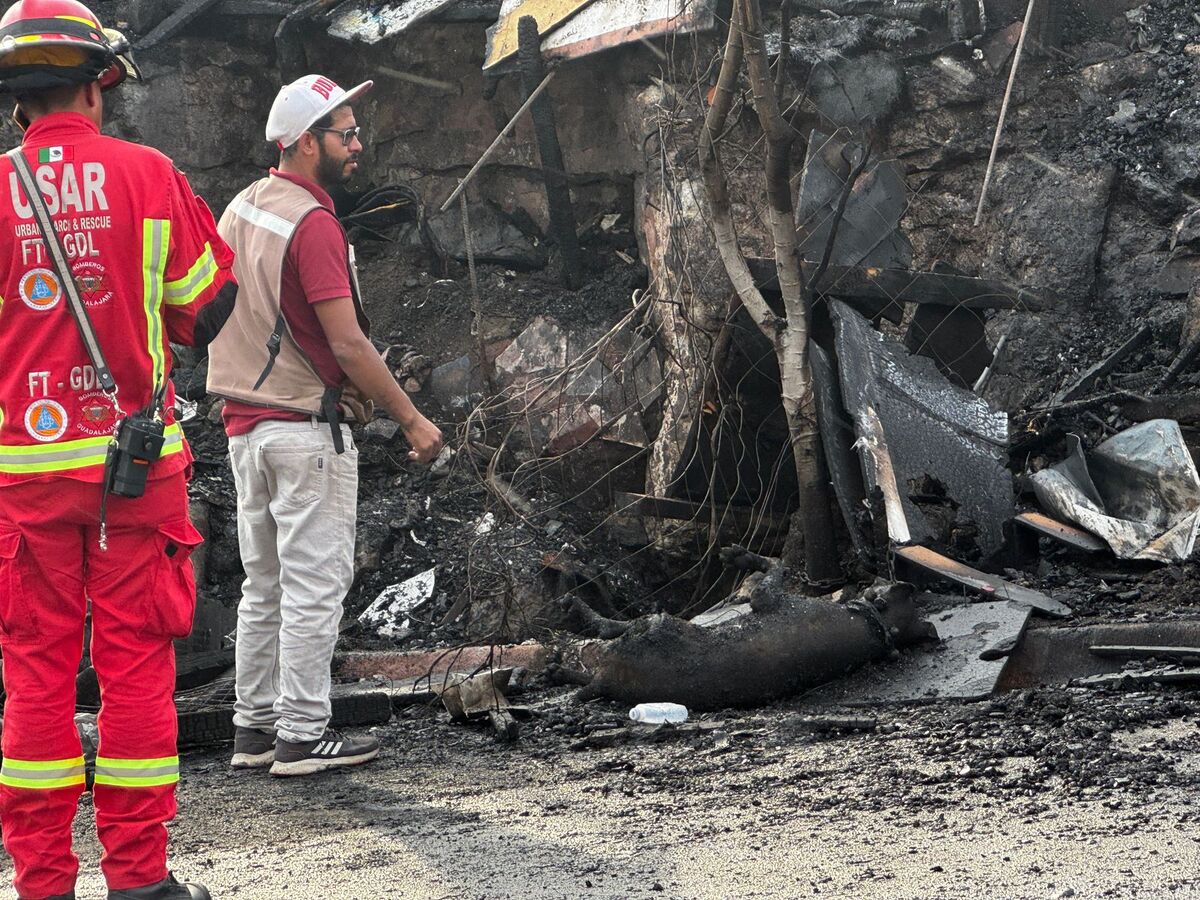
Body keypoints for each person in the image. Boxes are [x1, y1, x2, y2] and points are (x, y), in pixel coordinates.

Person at [0, 2, 237, 899]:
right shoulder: (148, 174)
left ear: (17, 100)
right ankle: (140, 881)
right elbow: (206, 305)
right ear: (101, 81)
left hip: (24, 479)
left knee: (35, 679)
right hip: (136, 473)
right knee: (136, 668)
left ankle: (42, 884)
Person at [207, 74, 443, 778]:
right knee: (314, 586)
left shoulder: (241, 207)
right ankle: (304, 736)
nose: (358, 145)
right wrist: (411, 418)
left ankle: (253, 729)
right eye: (346, 133)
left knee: (265, 587)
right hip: (305, 435)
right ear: (306, 142)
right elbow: (346, 343)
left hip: (244, 430)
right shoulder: (312, 224)